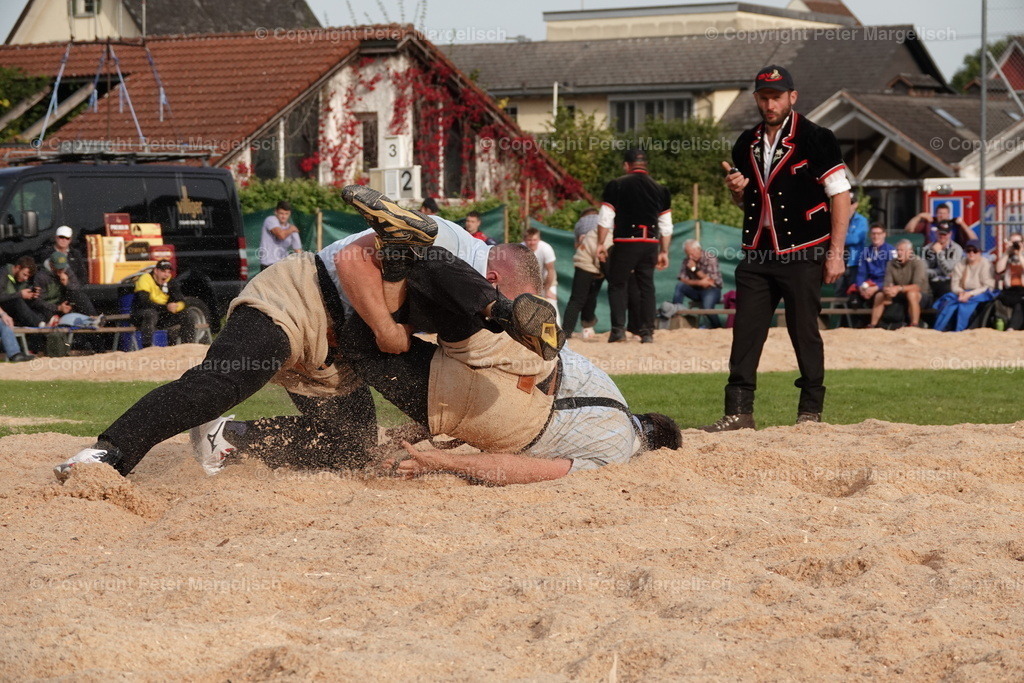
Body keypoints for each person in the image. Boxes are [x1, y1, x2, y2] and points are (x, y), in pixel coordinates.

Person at [52, 189, 559, 482]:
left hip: (342, 359)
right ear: (494, 275)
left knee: (348, 451)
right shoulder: (450, 238)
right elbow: (350, 259)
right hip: (301, 301)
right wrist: (386, 327)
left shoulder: (459, 278)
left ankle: (231, 437)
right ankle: (106, 455)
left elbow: (442, 374)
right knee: (219, 382)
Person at [333, 190, 679, 485]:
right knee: (358, 340)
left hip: (533, 362)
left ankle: (473, 294)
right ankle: (421, 281)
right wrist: (438, 461)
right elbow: (520, 469)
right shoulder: (614, 455)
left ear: (644, 419)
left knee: (441, 292)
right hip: (513, 419)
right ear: (651, 452)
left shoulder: (608, 386)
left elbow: (550, 356)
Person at [703, 65, 851, 431]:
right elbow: (749, 203)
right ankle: (739, 412)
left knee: (804, 331)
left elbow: (841, 196)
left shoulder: (817, 137)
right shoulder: (745, 143)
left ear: (792, 97)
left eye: (777, 97)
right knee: (745, 332)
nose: (770, 104)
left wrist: (836, 252)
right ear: (756, 98)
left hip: (805, 250)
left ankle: (810, 412)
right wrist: (737, 191)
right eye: (764, 97)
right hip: (757, 251)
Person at [596, 149, 672, 344]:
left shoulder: (616, 185)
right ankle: (647, 332)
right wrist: (664, 251)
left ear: (626, 165)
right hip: (650, 244)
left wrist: (600, 244)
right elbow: (666, 224)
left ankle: (618, 331)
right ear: (645, 164)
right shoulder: (660, 189)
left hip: (625, 242)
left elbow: (605, 217)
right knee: (647, 287)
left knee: (617, 284)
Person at [563, 213, 611, 338]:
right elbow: (602, 256)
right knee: (588, 297)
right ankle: (587, 326)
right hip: (590, 263)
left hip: (583, 261)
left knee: (577, 299)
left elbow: (577, 245)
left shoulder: (580, 223)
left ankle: (567, 331)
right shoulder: (607, 228)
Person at [131, 260, 200, 347]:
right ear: (156, 271)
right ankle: (147, 347)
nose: (166, 274)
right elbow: (144, 302)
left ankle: (187, 345)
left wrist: (176, 307)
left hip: (161, 315)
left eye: (168, 272)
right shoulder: (145, 279)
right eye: (163, 271)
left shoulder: (170, 282)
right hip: (141, 314)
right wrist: (165, 308)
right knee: (150, 314)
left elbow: (183, 302)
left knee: (188, 314)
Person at [933, 240, 996, 332]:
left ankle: (960, 330)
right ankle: (940, 329)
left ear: (980, 252)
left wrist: (970, 294)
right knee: (949, 304)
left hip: (979, 293)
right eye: (968, 250)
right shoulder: (960, 264)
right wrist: (961, 292)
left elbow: (987, 286)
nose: (971, 253)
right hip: (962, 292)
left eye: (975, 251)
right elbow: (954, 284)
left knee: (964, 307)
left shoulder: (985, 264)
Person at [872, 239, 930, 328]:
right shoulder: (891, 263)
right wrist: (888, 290)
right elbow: (887, 283)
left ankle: (914, 324)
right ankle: (873, 325)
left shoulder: (918, 262)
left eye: (902, 250)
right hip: (899, 293)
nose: (899, 253)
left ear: (910, 252)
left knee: (912, 294)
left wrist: (899, 288)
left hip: (921, 294)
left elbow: (917, 286)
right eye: (898, 250)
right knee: (879, 295)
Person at [672, 239, 723, 328]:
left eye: (692, 254)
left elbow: (710, 282)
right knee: (680, 286)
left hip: (712, 290)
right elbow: (682, 279)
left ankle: (717, 327)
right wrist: (699, 282)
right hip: (696, 289)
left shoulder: (710, 258)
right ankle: (675, 314)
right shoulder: (687, 261)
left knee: (707, 308)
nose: (690, 257)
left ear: (698, 249)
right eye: (688, 255)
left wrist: (695, 269)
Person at [834, 193, 868, 298]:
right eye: (846, 202)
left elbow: (856, 239)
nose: (849, 205)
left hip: (854, 263)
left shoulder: (862, 220)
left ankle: (852, 315)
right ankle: (838, 314)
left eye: (851, 202)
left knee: (854, 292)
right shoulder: (836, 218)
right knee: (839, 292)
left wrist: (838, 236)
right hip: (838, 261)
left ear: (856, 204)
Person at [854, 224, 896, 306]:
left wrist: (877, 287)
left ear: (884, 234)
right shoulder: (866, 252)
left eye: (879, 233)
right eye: (873, 234)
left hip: (884, 286)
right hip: (868, 286)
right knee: (854, 301)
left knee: (879, 296)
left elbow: (893, 276)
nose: (876, 236)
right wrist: (861, 288)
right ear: (870, 235)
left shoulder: (891, 251)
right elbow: (861, 273)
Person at [0, 256, 48, 327]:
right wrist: (20, 294)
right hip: (2, 309)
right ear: (18, 267)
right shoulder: (3, 274)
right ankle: (40, 324)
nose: (25, 278)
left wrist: (31, 296)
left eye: (28, 276)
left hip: (13, 311)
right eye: (24, 275)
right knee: (17, 301)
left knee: (36, 308)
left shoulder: (20, 279)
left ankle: (44, 324)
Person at [904, 203, 977, 247]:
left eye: (944, 213)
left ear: (948, 215)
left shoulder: (955, 225)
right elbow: (908, 229)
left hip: (951, 254)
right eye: (940, 213)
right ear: (936, 214)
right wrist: (919, 216)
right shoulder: (930, 224)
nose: (942, 216)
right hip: (932, 252)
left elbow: (973, 238)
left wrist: (963, 224)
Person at [923, 224, 964, 298]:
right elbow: (923, 270)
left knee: (946, 292)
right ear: (936, 233)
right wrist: (939, 271)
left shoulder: (956, 249)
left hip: (948, 282)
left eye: (945, 234)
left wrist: (939, 252)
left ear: (950, 234)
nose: (942, 236)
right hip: (930, 281)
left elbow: (948, 270)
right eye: (940, 233)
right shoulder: (928, 248)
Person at [259, 200, 302, 269]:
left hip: (282, 265)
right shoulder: (271, 220)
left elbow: (298, 251)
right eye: (281, 213)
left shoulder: (292, 229)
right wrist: (291, 229)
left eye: (286, 214)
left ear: (290, 213)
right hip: (268, 265)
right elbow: (281, 235)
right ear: (276, 212)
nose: (284, 216)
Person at [523, 226, 557, 310]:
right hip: (528, 282)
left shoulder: (546, 249)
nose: (532, 243)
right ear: (525, 240)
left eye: (534, 240)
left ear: (539, 239)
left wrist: (547, 290)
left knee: (551, 304)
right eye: (529, 240)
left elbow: (551, 271)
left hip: (547, 281)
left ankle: (556, 323)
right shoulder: (520, 249)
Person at [994, 232, 1024, 330]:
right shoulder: (1007, 256)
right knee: (995, 301)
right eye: (1013, 242)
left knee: (1020, 304)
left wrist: (1020, 254)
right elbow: (998, 270)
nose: (1015, 244)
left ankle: (1012, 328)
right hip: (1010, 291)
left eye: (1018, 242)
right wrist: (1007, 252)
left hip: (1022, 290)